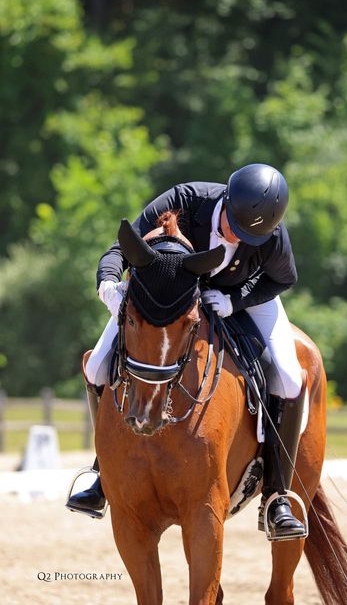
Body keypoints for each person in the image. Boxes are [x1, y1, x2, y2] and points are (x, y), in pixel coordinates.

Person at [66, 163, 307, 540]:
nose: (235, 237)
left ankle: (277, 496)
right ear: (224, 200)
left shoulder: (270, 236)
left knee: (290, 378)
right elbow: (122, 248)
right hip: (166, 293)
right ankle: (102, 473)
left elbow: (283, 278)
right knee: (97, 367)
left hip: (239, 295)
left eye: (247, 237)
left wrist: (235, 300)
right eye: (232, 226)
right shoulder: (185, 200)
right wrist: (108, 284)